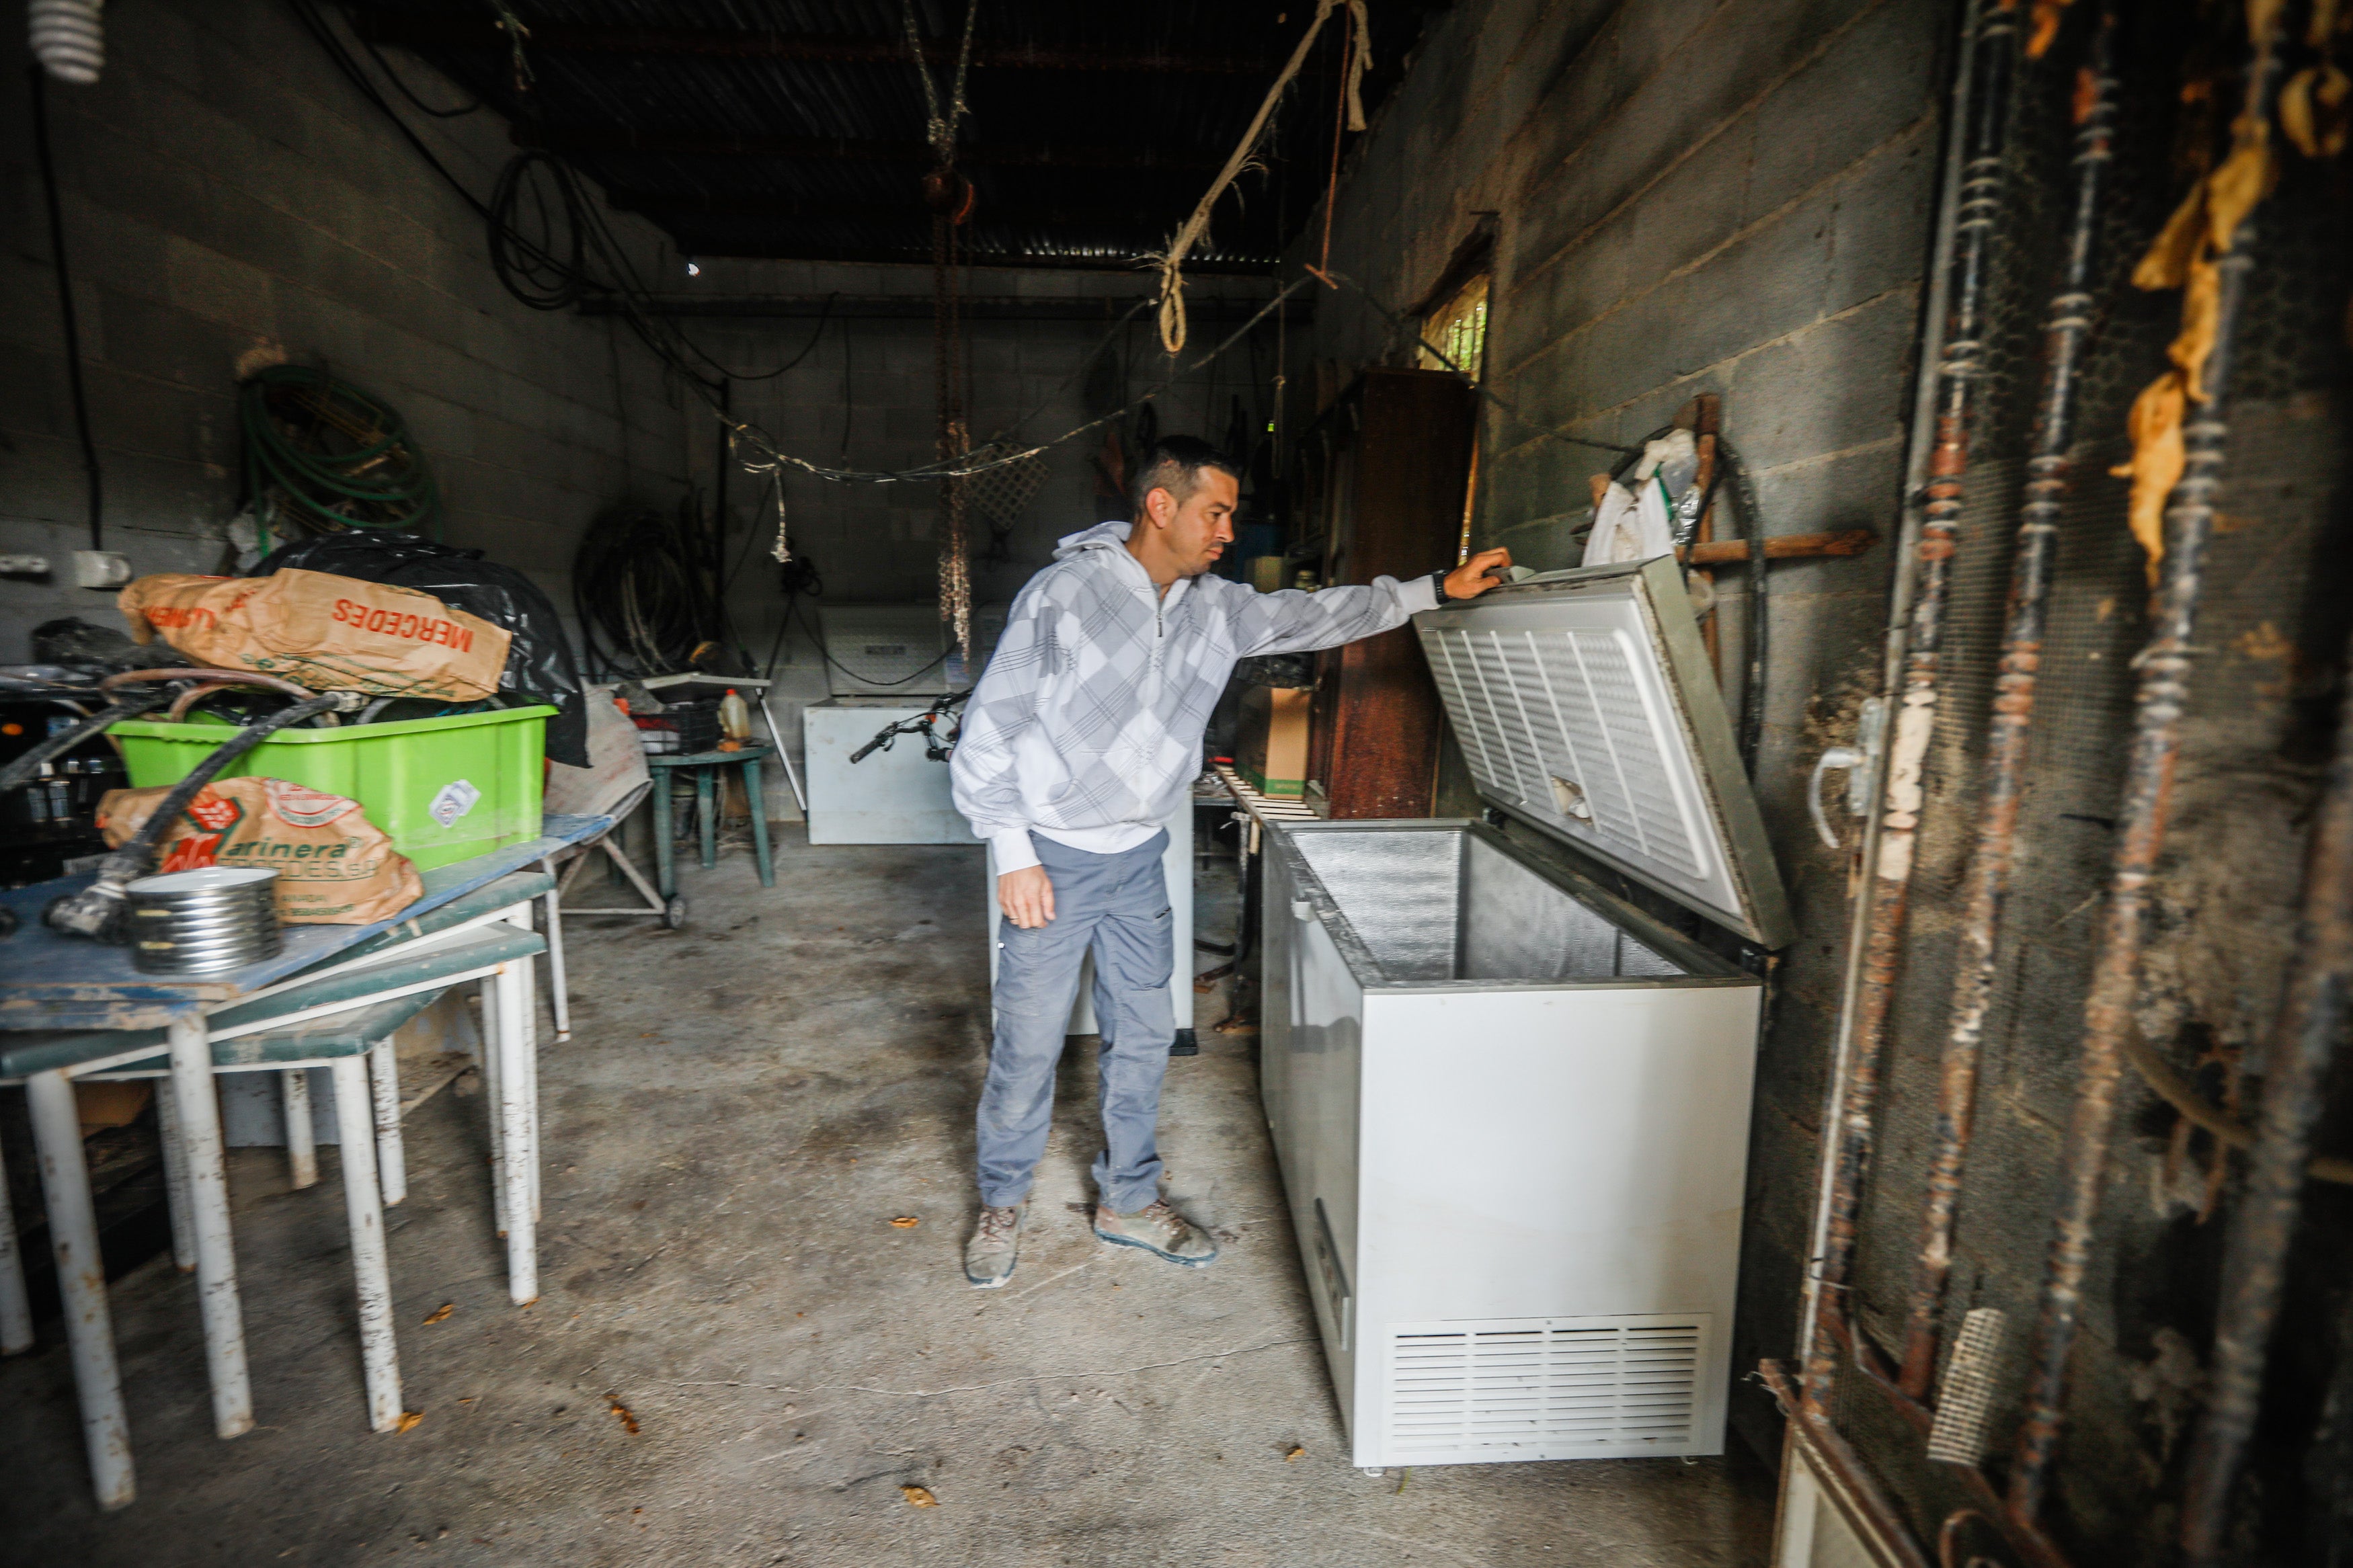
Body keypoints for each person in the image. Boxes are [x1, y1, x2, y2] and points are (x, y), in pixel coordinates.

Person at [949, 435, 1511, 1288]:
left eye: (1232, 515)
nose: (1227, 530)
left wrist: (1433, 589)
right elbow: (990, 728)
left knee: (1143, 1038)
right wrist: (1012, 851)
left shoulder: (1219, 607)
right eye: (1216, 512)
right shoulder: (1062, 595)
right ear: (1160, 505)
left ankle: (1127, 1199)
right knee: (1028, 1044)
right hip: (1054, 855)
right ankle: (1001, 1199)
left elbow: (1324, 614)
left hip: (1140, 853)